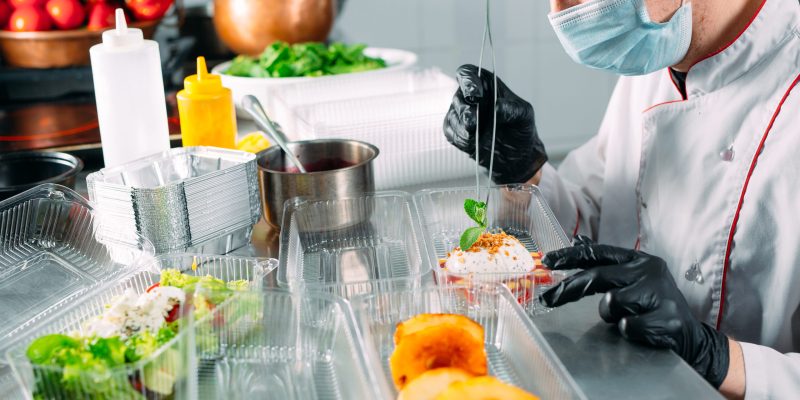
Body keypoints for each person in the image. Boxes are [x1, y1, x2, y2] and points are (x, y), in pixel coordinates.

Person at [443, 0, 800, 398]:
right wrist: (524, 172)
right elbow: (593, 219)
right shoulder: (656, 45)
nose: (564, 11)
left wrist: (715, 356)